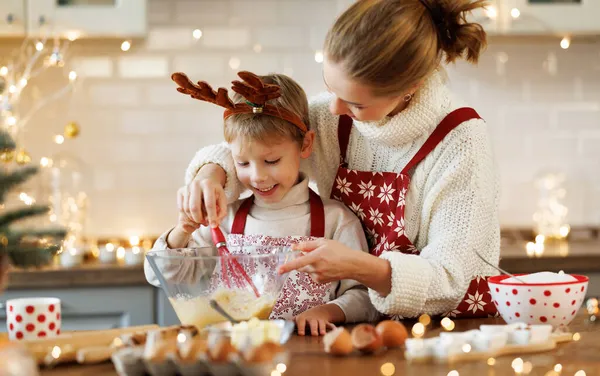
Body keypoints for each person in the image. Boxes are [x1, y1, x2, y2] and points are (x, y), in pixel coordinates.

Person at [178, 0, 500, 319]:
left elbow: (449, 280)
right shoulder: (333, 119)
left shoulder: (460, 141)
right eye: (329, 87)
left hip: (444, 333)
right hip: (363, 324)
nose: (333, 109)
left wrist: (356, 266)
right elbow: (259, 146)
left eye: (355, 104)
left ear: (409, 88)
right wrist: (211, 174)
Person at [145, 71, 379, 335]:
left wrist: (328, 311)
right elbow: (160, 275)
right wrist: (183, 230)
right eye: (243, 163)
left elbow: (366, 297)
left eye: (271, 161)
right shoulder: (225, 219)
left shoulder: (336, 220)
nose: (257, 176)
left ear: (306, 144)